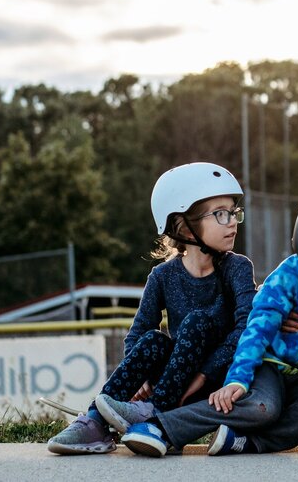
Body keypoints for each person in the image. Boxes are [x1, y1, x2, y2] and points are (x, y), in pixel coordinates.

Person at [113, 187, 298, 457]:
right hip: (267, 365)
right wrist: (238, 379)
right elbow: (256, 327)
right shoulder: (291, 272)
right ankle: (161, 427)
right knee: (263, 407)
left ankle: (246, 441)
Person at [47, 162, 256, 455]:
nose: (232, 221)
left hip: (216, 380)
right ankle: (95, 421)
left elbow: (247, 326)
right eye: (220, 214)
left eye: (234, 213)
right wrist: (144, 379)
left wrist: (205, 373)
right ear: (184, 225)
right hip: (172, 377)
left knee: (197, 321)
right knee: (155, 340)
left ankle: (155, 414)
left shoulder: (237, 268)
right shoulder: (162, 275)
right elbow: (137, 334)